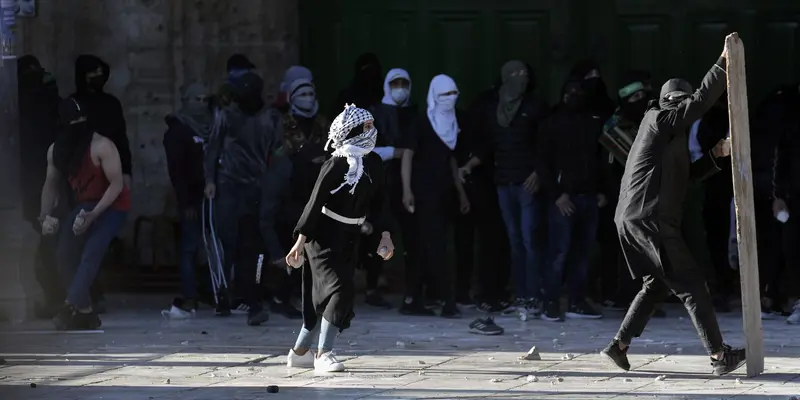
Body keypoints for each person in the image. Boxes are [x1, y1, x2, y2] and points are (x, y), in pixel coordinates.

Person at [601, 39, 746, 376]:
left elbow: (686, 178)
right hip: (650, 218)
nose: (682, 109)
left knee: (656, 284)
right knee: (693, 285)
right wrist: (723, 64)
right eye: (677, 103)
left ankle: (618, 346)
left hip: (636, 217)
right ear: (667, 103)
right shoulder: (656, 120)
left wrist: (716, 155)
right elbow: (695, 105)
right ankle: (718, 356)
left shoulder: (672, 139)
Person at [285, 105, 395, 373]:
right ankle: (324, 354)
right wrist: (300, 242)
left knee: (320, 298)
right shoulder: (335, 164)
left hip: (349, 236)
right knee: (341, 289)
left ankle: (299, 352)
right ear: (353, 130)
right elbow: (314, 203)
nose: (372, 131)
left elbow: (381, 204)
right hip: (321, 236)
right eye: (366, 126)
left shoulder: (374, 163)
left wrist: (386, 235)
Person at [458, 60, 549, 316]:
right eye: (515, 74)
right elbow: (489, 146)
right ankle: (521, 295)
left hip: (526, 183)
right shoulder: (492, 108)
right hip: (503, 183)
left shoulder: (534, 107)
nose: (520, 78)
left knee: (530, 240)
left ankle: (533, 296)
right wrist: (467, 166)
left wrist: (538, 173)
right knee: (515, 241)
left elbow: (544, 143)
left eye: (524, 73)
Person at [39, 97, 130, 330]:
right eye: (74, 121)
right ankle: (86, 311)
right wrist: (44, 216)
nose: (79, 125)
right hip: (85, 205)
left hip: (113, 206)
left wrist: (93, 215)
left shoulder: (102, 146)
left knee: (92, 252)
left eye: (83, 120)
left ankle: (69, 306)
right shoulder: (56, 151)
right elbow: (50, 184)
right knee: (64, 253)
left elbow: (117, 185)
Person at [204, 71, 282, 326]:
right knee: (230, 244)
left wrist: (275, 183)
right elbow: (213, 147)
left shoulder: (271, 117)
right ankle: (227, 295)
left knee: (254, 248)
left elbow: (278, 152)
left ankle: (254, 300)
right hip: (229, 187)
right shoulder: (227, 115)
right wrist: (210, 181)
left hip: (257, 189)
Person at [537, 78, 608, 322]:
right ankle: (551, 301)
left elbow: (599, 161)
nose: (575, 97)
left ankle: (577, 300)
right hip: (563, 200)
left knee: (583, 253)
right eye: (571, 93)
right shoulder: (552, 125)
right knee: (559, 252)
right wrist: (557, 195)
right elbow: (543, 164)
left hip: (589, 198)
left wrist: (601, 191)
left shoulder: (592, 125)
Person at [401, 74, 470, 318]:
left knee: (430, 246)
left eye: (453, 93)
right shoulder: (421, 122)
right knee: (435, 247)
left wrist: (461, 193)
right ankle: (445, 300)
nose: (450, 99)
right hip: (423, 193)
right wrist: (407, 190)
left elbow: (451, 160)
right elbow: (408, 156)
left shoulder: (453, 123)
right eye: (444, 95)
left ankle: (416, 298)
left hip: (445, 194)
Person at [72, 54, 132, 313]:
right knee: (78, 242)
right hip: (84, 178)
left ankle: (89, 295)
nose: (97, 77)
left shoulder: (110, 103)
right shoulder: (74, 105)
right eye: (91, 72)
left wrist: (126, 172)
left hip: (111, 174)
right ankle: (80, 295)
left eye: (100, 72)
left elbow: (121, 137)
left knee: (100, 241)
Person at [597, 74, 654, 312]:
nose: (639, 101)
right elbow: (608, 165)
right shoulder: (615, 127)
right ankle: (616, 293)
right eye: (634, 98)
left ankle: (641, 297)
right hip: (617, 197)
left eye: (642, 96)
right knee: (615, 248)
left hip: (644, 197)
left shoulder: (648, 124)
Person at [362, 68, 416, 309]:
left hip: (409, 182)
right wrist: (393, 153)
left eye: (405, 83)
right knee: (380, 233)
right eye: (395, 83)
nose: (400, 88)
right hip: (382, 182)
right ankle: (373, 286)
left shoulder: (415, 113)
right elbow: (365, 148)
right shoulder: (375, 113)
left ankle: (413, 290)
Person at [17, 55, 64, 318]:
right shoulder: (46, 94)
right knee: (47, 239)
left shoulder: (27, 95)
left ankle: (52, 296)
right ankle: (54, 295)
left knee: (43, 238)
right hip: (44, 176)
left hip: (29, 178)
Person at [163, 83, 214, 318]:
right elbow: (177, 170)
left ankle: (213, 292)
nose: (201, 105)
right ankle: (190, 296)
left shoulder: (210, 126)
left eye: (205, 100)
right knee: (190, 248)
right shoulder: (178, 131)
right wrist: (186, 202)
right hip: (192, 199)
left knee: (214, 246)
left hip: (211, 196)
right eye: (197, 99)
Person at [771, 83, 800, 324]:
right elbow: (782, 158)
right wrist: (778, 195)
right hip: (795, 195)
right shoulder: (793, 121)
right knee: (792, 247)